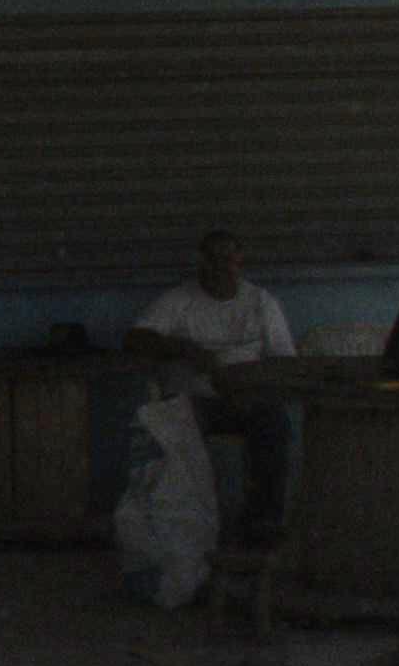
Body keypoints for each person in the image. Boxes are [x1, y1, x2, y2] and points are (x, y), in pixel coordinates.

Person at [127, 228, 298, 541]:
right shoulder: (179, 299)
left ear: (239, 262)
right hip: (194, 401)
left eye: (228, 259)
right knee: (173, 426)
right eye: (213, 259)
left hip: (246, 400)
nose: (221, 267)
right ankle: (186, 527)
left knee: (274, 423)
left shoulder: (260, 302)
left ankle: (262, 524)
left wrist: (249, 389)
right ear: (200, 262)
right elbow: (136, 339)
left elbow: (283, 361)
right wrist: (185, 349)